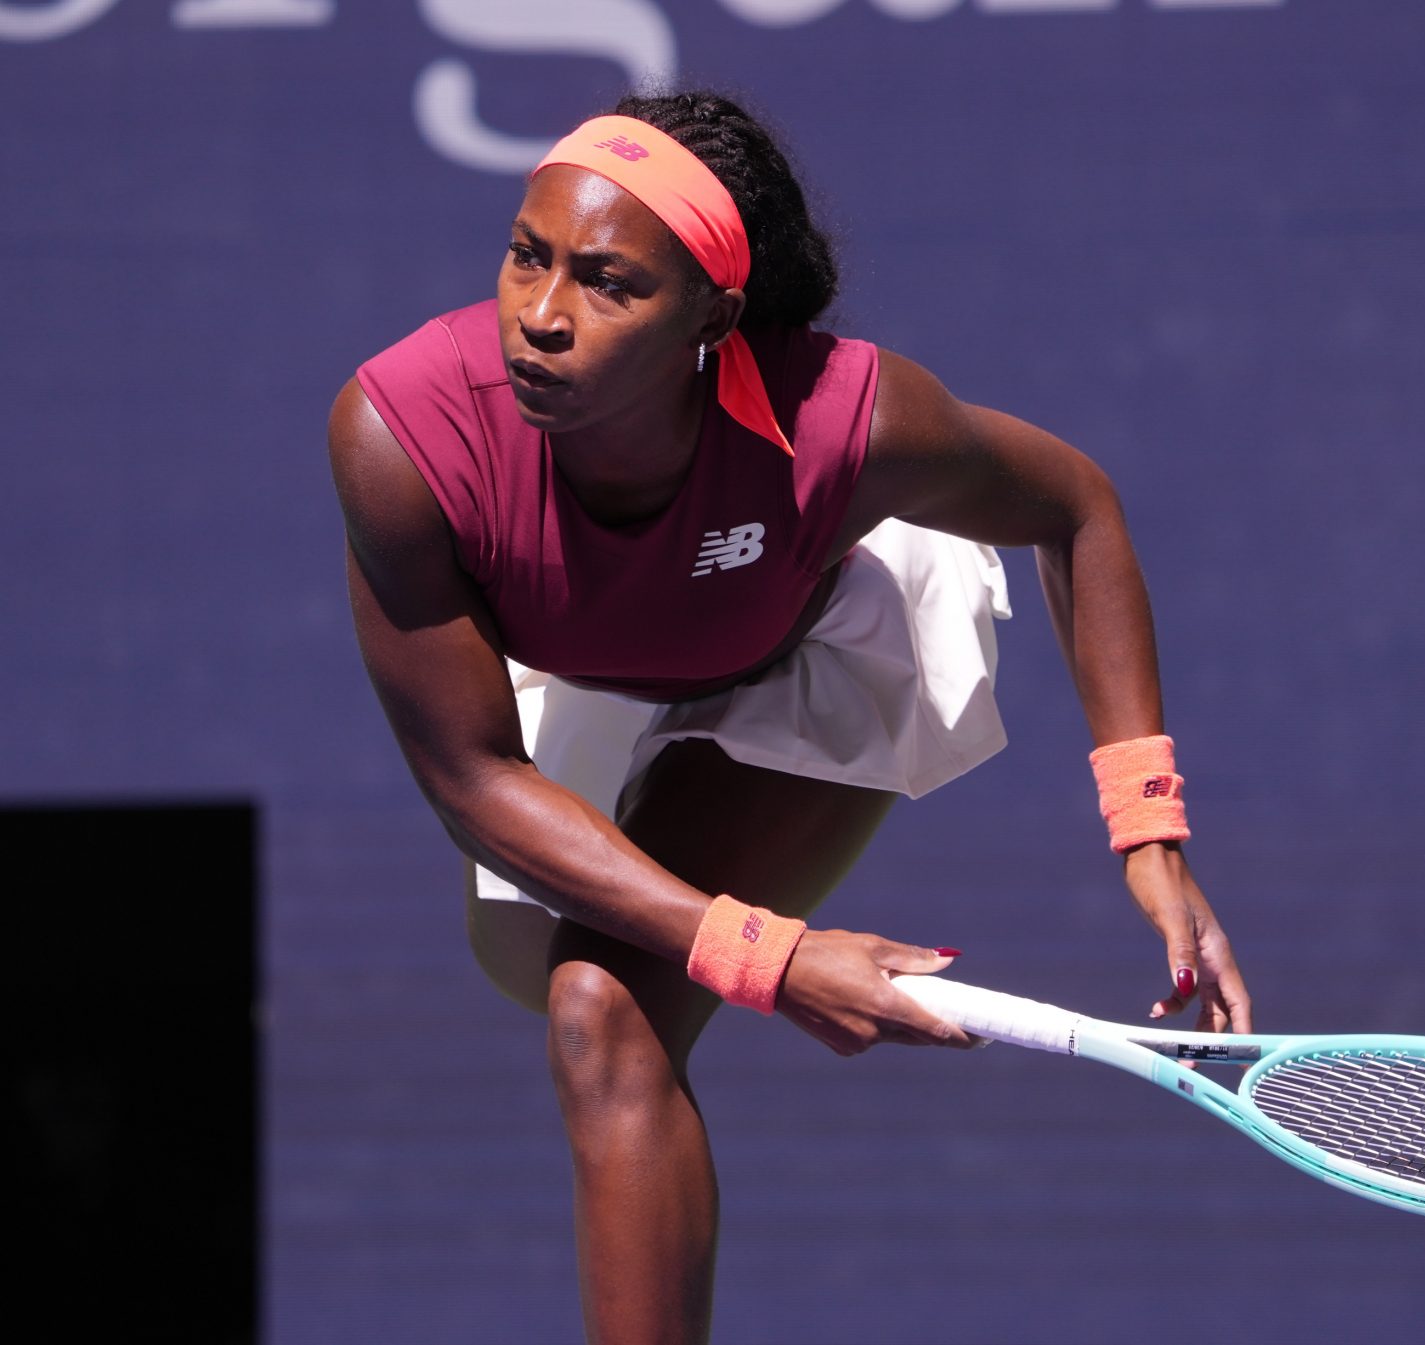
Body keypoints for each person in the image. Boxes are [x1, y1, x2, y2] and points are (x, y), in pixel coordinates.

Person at [328, 89, 1252, 1345]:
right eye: (526, 255)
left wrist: (1149, 829)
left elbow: (1075, 507)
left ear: (713, 312)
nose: (540, 318)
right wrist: (770, 952)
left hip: (815, 652)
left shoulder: (847, 421)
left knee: (604, 1007)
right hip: (589, 684)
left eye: (608, 284)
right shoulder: (402, 435)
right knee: (533, 968)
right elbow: (471, 775)